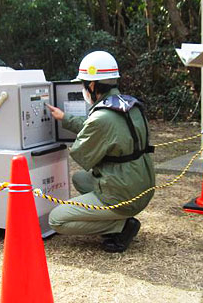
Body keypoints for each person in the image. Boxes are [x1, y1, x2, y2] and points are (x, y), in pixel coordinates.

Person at [46, 51, 155, 253]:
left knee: (56, 219)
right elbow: (99, 129)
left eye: (84, 84)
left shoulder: (102, 117)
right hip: (142, 186)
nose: (83, 89)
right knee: (80, 179)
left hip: (122, 194)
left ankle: (120, 225)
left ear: (93, 85)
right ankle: (117, 216)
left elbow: (81, 153)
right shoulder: (129, 105)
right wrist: (65, 117)